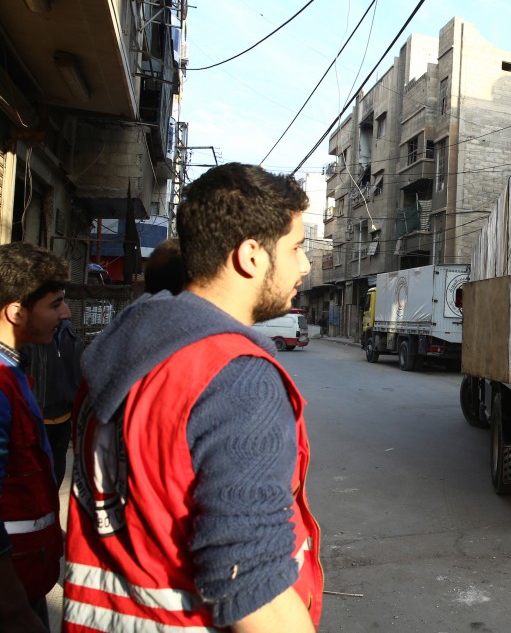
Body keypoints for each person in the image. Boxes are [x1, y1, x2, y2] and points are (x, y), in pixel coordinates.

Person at [63, 163, 323, 632]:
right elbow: (251, 583)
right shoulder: (237, 377)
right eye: (297, 248)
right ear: (251, 256)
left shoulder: (123, 352)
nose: (305, 265)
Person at [0, 242, 71, 633]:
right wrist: (15, 612)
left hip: (26, 581)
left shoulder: (15, 371)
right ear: (16, 312)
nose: (65, 313)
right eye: (55, 304)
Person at [21, 316, 85, 487]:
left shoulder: (72, 338)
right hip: (37, 419)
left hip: (63, 418)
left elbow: (80, 375)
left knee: (57, 469)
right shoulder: (29, 341)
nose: (63, 308)